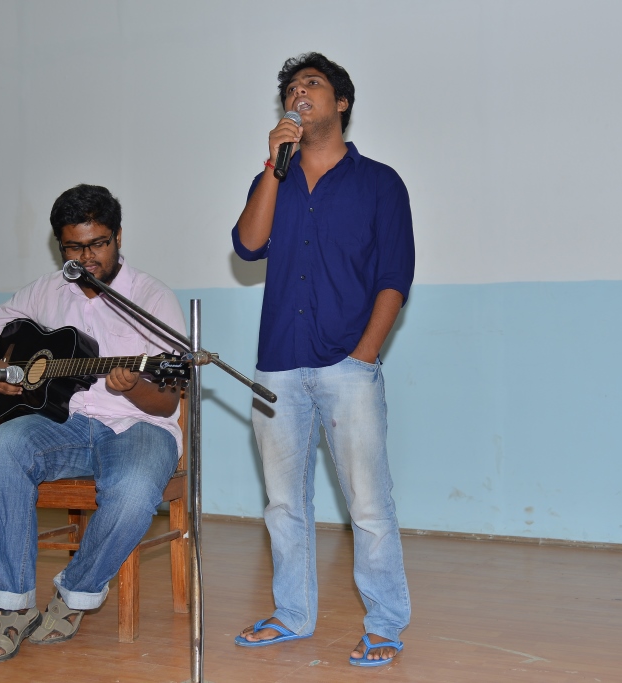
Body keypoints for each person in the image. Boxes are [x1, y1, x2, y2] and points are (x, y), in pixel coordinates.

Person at [231, 52, 415, 667]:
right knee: (284, 504)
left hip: (348, 364)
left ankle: (385, 623)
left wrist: (364, 354)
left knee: (369, 504)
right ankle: (292, 614)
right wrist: (272, 167)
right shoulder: (274, 176)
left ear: (340, 103)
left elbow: (394, 277)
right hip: (277, 362)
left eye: (311, 83)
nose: (298, 92)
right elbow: (248, 245)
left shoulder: (380, 182)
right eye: (290, 87)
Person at [0, 184, 185, 664]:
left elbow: (166, 402)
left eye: (98, 244)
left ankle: (73, 594)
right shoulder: (45, 291)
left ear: (118, 236)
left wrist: (133, 386)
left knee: (133, 492)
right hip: (62, 423)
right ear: (59, 245)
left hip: (138, 426)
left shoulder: (151, 297)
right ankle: (11, 607)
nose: (87, 257)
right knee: (4, 446)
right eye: (74, 247)